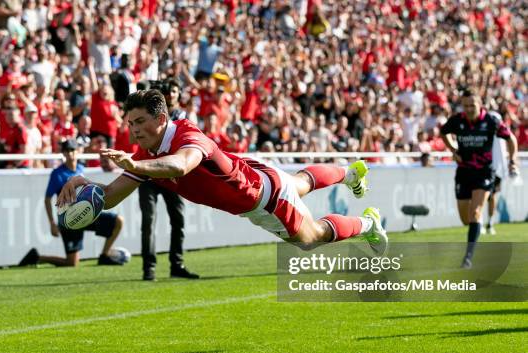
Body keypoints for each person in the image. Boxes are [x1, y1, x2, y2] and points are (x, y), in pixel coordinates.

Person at [57, 90, 387, 261]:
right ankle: (348, 172)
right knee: (297, 183)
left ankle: (368, 224)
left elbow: (181, 166)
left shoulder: (188, 137)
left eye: (139, 122)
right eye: (129, 124)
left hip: (263, 200)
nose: (133, 131)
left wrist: (134, 166)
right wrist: (82, 182)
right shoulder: (146, 155)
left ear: (161, 119)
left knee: (310, 239)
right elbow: (112, 194)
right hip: (255, 175)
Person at [440, 89, 519, 268]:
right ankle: (476, 228)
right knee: (465, 219)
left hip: (484, 172)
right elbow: (443, 132)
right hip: (463, 172)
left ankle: (468, 258)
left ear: (480, 104)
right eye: (465, 105)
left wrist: (512, 159)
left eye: (472, 105)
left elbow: (511, 139)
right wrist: (453, 150)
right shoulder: (457, 120)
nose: (469, 109)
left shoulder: (491, 121)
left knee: (475, 212)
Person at [19, 139, 127, 268]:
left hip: (86, 212)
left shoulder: (81, 168)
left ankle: (104, 256)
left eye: (72, 150)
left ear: (78, 151)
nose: (70, 153)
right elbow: (47, 198)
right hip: (69, 218)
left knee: (118, 221)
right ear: (63, 153)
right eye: (67, 151)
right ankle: (37, 257)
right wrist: (52, 223)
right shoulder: (57, 173)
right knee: (72, 263)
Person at [138, 79, 196, 281]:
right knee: (149, 221)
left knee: (178, 220)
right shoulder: (150, 113)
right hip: (149, 173)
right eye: (168, 91)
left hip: (170, 175)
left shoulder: (183, 117)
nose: (171, 94)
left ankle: (177, 264)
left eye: (174, 91)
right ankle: (149, 268)